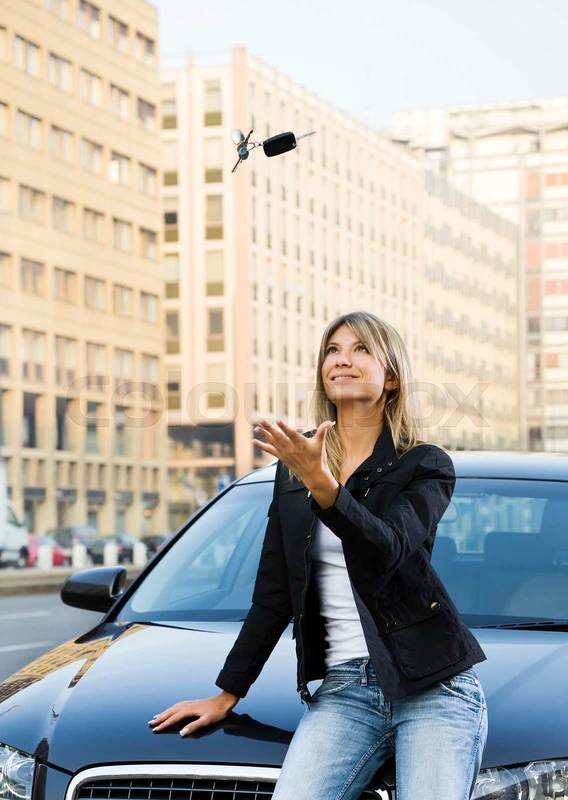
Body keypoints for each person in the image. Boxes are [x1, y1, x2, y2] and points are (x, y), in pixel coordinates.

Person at [148, 310, 488, 800]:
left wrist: (324, 487)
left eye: (360, 349)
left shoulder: (424, 464)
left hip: (433, 685)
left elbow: (387, 548)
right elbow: (273, 594)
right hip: (345, 689)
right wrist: (228, 692)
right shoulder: (295, 471)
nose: (341, 360)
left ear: (391, 378)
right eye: (332, 350)